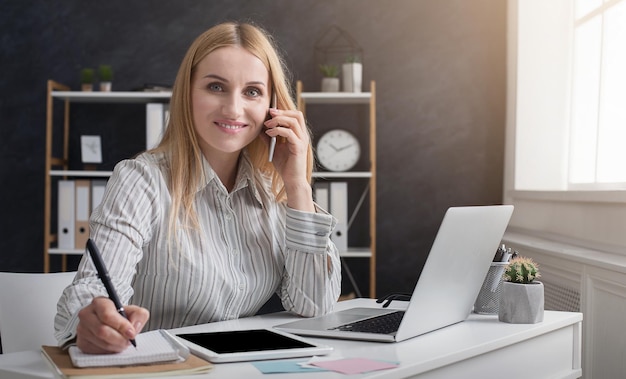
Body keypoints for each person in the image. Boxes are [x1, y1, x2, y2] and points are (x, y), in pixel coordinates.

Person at [55, 21, 342, 354]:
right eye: (216, 87)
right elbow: (93, 287)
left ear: (272, 106)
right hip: (158, 370)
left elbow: (314, 305)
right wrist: (91, 320)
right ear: (188, 93)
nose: (234, 109)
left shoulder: (272, 190)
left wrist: (297, 186)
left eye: (252, 91)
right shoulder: (141, 180)